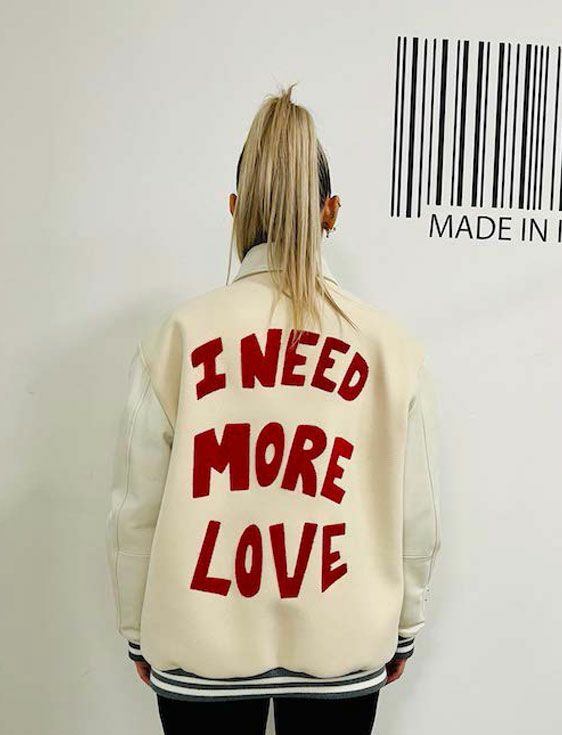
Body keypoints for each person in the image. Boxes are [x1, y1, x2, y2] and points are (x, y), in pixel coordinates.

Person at [105, 83, 442, 735]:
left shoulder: (178, 336)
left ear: (235, 210)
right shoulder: (390, 346)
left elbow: (134, 512)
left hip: (199, 652)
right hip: (344, 648)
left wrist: (136, 630)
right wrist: (404, 627)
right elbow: (417, 516)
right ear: (331, 211)